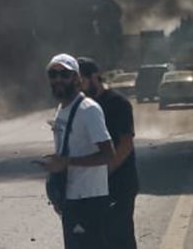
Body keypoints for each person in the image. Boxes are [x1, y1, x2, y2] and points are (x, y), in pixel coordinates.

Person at [40, 53, 115, 249]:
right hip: (71, 199)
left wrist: (67, 162)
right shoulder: (62, 109)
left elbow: (108, 154)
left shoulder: (88, 109)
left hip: (89, 200)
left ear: (76, 78)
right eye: (53, 74)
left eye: (64, 74)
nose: (58, 79)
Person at [78, 57, 139, 249]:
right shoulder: (79, 108)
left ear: (94, 77)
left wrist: (104, 172)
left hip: (119, 184)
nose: (78, 87)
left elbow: (126, 144)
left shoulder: (118, 104)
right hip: (90, 189)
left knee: (119, 239)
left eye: (81, 81)